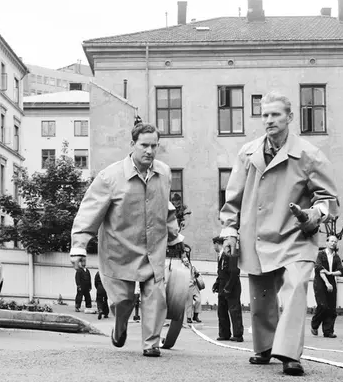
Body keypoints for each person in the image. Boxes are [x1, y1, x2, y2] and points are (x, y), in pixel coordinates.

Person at [219, 91, 339, 375]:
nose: (269, 120)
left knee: (296, 288)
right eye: (265, 115)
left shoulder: (309, 155)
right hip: (257, 233)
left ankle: (289, 354)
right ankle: (264, 346)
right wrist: (230, 231)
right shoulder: (248, 153)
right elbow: (232, 198)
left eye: (276, 114)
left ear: (289, 117)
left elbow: (328, 199)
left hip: (297, 235)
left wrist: (313, 214)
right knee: (261, 294)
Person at [70, 122, 184, 357]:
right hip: (119, 251)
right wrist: (79, 246)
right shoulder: (110, 177)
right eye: (144, 145)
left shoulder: (163, 173)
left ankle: (151, 344)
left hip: (153, 250)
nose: (149, 151)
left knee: (155, 298)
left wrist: (175, 236)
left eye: (154, 146)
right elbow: (89, 212)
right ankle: (120, 325)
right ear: (132, 144)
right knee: (123, 301)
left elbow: (166, 207)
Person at [310, 235, 343, 338]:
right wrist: (327, 283)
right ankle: (314, 325)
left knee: (331, 308)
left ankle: (328, 331)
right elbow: (319, 269)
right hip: (320, 282)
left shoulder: (336, 257)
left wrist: (331, 273)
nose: (333, 243)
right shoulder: (320, 254)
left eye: (335, 242)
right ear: (327, 242)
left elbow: (342, 271)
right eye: (331, 241)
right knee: (322, 305)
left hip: (331, 282)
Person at [212, 236, 244, 342]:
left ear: (217, 244)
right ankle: (224, 334)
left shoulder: (231, 254)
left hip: (232, 287)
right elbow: (221, 272)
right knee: (222, 311)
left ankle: (238, 334)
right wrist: (217, 284)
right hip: (222, 286)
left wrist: (228, 288)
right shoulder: (221, 256)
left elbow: (234, 272)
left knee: (234, 310)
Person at [181, 250, 202, 324]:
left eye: (187, 261)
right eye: (185, 262)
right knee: (189, 303)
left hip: (194, 286)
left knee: (198, 300)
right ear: (182, 262)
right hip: (187, 287)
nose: (186, 262)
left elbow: (197, 273)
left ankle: (195, 316)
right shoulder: (181, 269)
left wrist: (197, 275)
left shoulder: (192, 267)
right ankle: (189, 317)